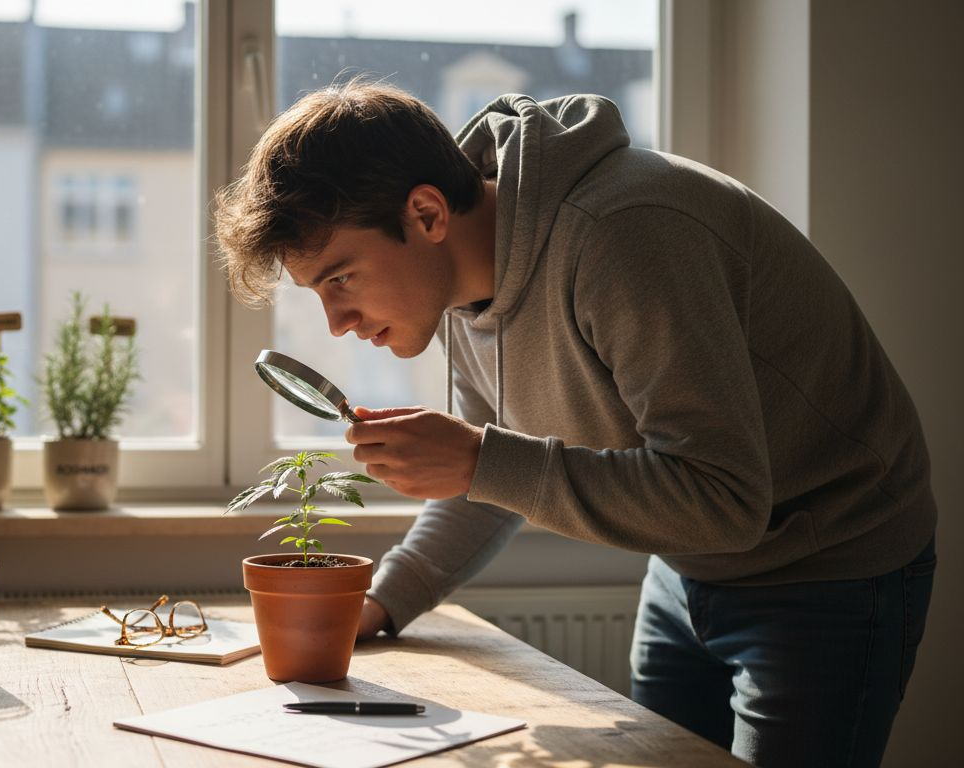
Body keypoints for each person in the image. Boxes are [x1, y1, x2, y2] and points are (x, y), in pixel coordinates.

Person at [212, 80, 937, 767]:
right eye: (318, 293)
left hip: (832, 567)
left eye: (341, 278)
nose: (336, 323)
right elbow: (490, 478)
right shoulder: (461, 292)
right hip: (687, 566)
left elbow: (724, 496)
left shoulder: (624, 236)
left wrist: (477, 461)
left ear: (427, 215)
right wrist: (380, 603)